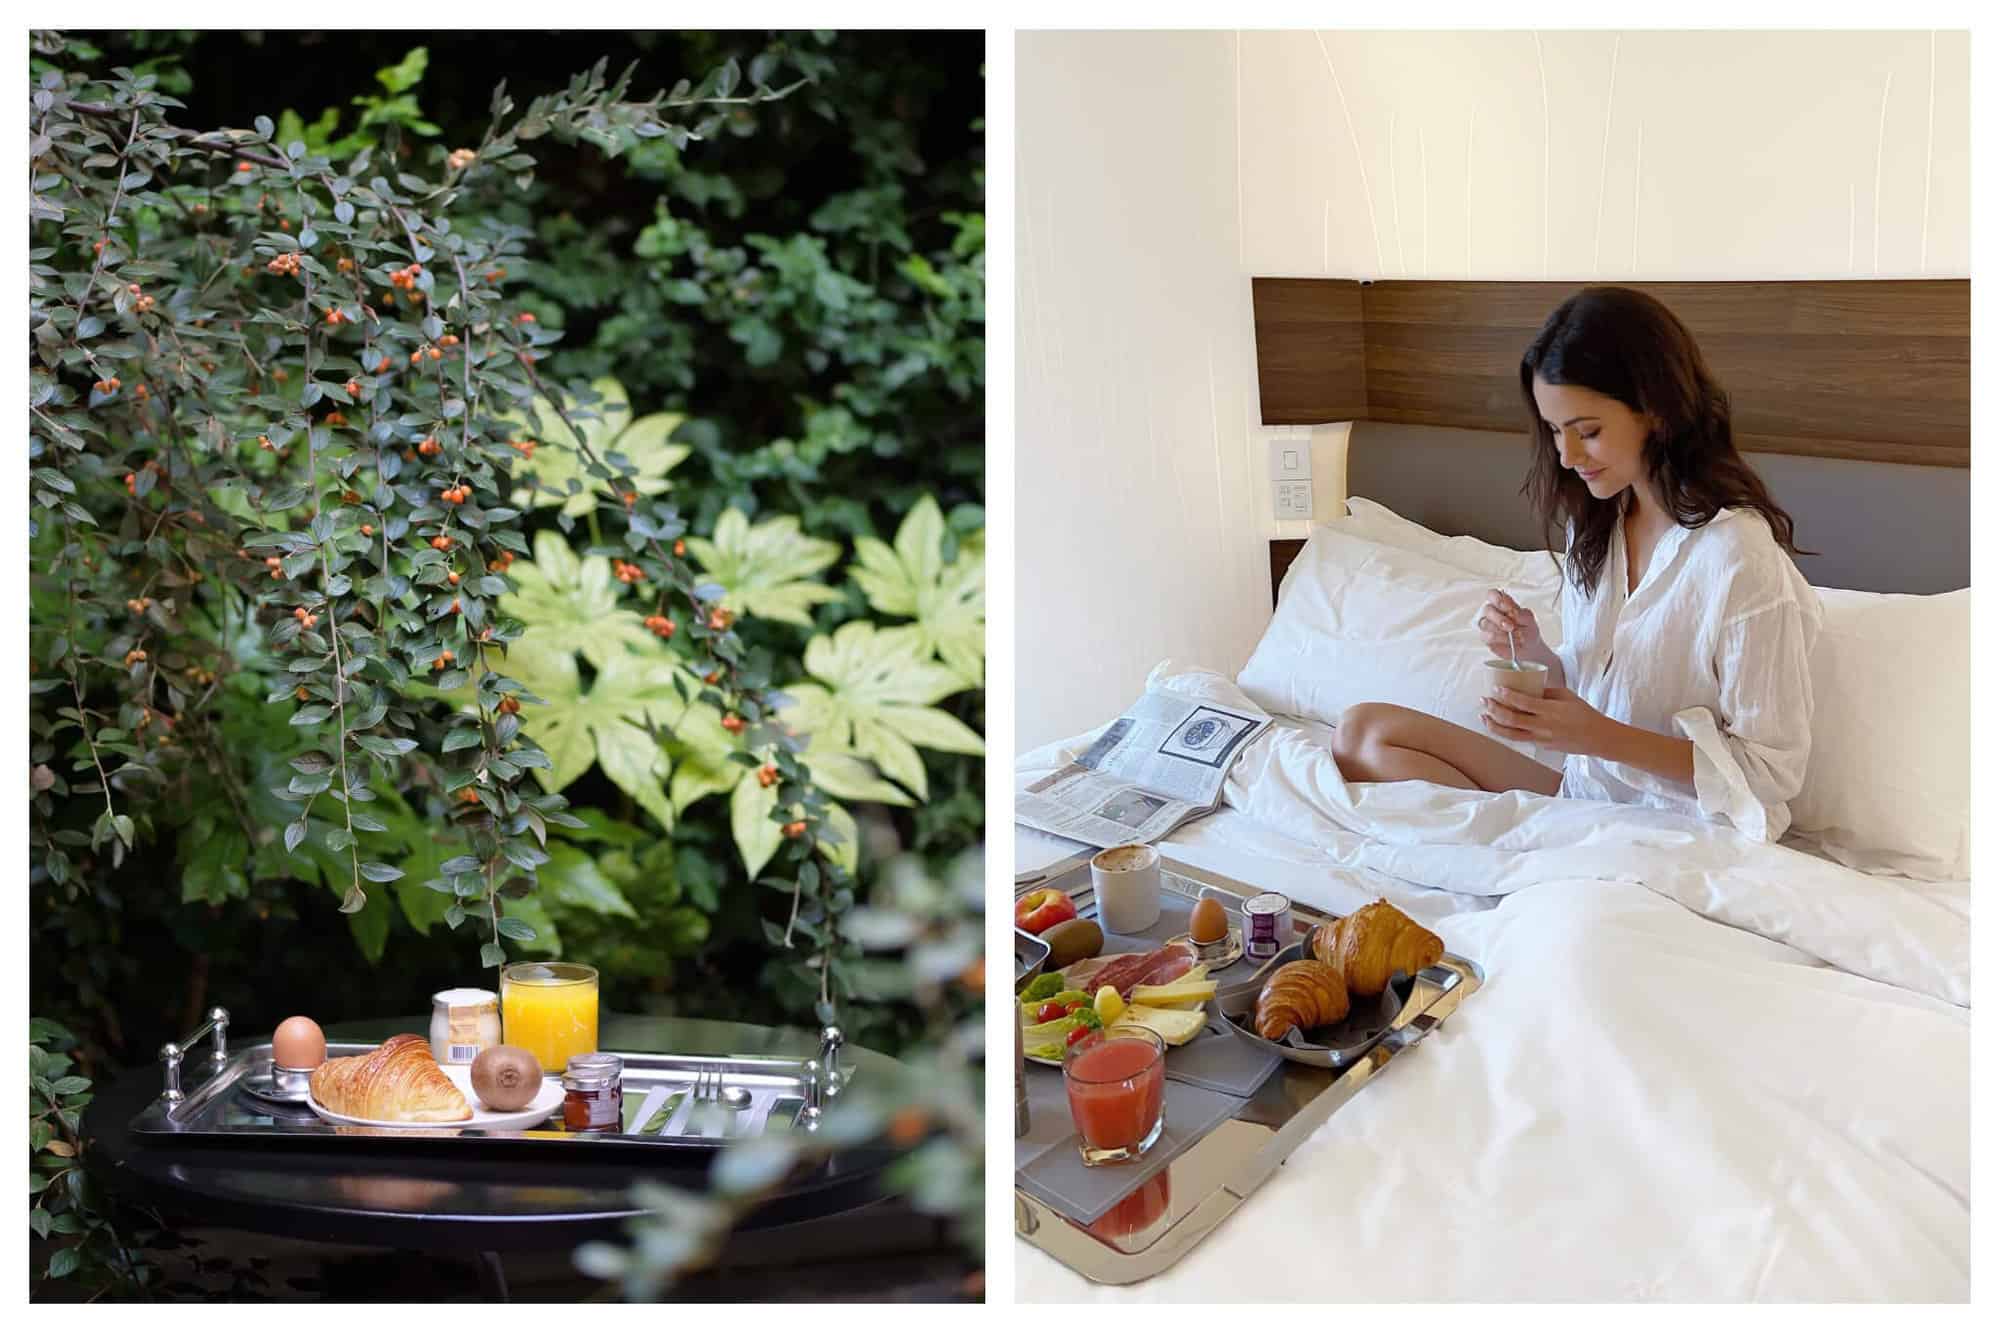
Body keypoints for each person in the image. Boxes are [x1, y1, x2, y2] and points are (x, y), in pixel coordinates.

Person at [1330, 285, 1823, 841]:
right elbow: (1603, 694)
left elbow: (1770, 776)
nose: (1566, 457)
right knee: (1362, 733)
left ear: (1656, 409)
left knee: (1409, 795)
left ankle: (1509, 862)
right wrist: (1535, 656)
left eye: (1587, 431)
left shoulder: (1738, 558)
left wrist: (1597, 736)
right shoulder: (1601, 524)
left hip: (1681, 831)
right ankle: (1504, 861)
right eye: (1554, 431)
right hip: (1587, 797)